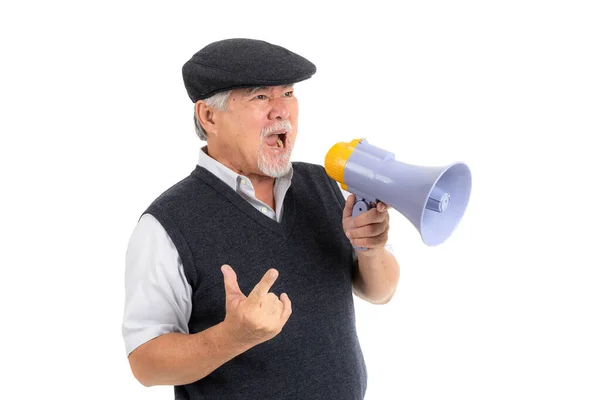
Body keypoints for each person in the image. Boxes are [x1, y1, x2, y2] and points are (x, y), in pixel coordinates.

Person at [122, 38, 400, 400]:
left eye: (287, 93)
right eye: (259, 97)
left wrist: (370, 249)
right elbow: (145, 364)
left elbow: (381, 292)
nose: (281, 111)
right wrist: (233, 337)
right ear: (209, 116)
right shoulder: (166, 224)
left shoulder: (322, 184)